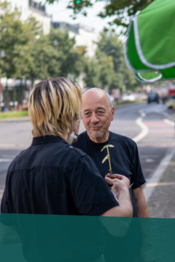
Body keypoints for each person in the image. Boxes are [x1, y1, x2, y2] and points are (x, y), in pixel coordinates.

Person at [0, 78, 133, 262]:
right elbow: (119, 226)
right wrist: (124, 189)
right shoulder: (76, 161)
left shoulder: (16, 166)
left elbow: (6, 235)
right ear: (69, 114)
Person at [73, 88, 149, 262]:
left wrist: (147, 246)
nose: (94, 119)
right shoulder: (73, 152)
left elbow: (139, 199)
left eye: (100, 112)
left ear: (112, 112)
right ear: (81, 116)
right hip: (93, 253)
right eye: (87, 113)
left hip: (130, 249)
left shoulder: (127, 146)